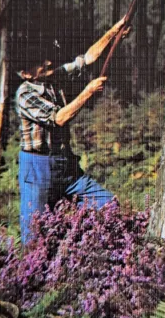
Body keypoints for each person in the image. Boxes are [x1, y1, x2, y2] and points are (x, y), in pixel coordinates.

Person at [16, 17, 128, 243]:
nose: (47, 63)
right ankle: (32, 274)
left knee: (108, 206)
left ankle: (81, 252)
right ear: (26, 74)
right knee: (35, 238)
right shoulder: (25, 94)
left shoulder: (53, 79)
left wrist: (114, 32)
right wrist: (88, 92)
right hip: (37, 169)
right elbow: (59, 118)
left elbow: (87, 59)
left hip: (66, 166)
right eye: (39, 63)